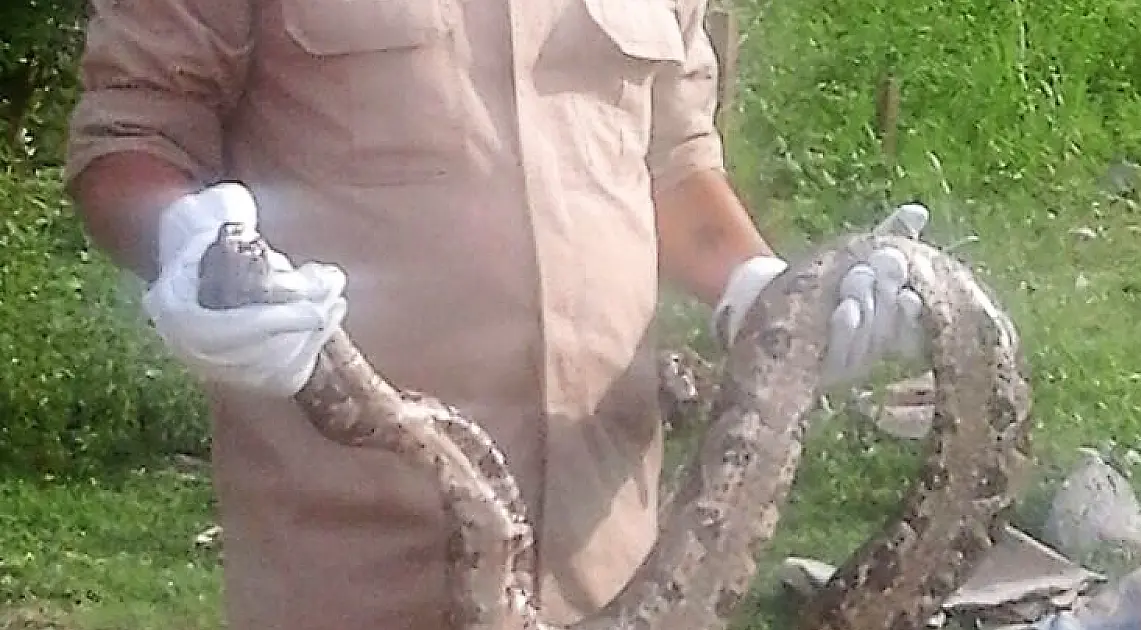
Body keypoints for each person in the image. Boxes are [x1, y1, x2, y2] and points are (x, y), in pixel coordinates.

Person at [64, 0, 932, 628]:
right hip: (347, 570)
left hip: (620, 567)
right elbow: (133, 138)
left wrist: (765, 295)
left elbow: (673, 158)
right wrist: (182, 244)